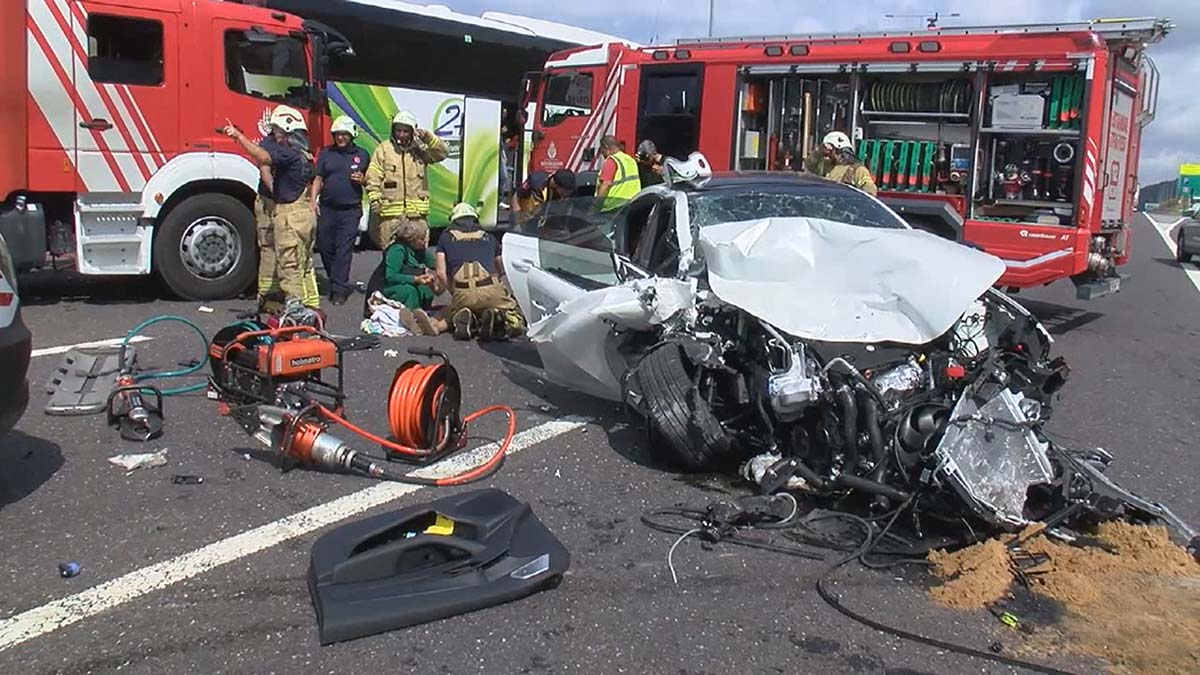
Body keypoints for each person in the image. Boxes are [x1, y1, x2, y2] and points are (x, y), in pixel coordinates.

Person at [225, 105, 321, 309]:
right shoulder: (305, 154)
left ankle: (296, 312)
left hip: (290, 216)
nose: (275, 136)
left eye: (278, 131)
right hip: (305, 214)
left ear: (289, 132)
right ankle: (313, 308)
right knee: (305, 264)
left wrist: (238, 137)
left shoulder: (289, 154)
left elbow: (264, 159)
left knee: (289, 266)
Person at [428, 203, 525, 341]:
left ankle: (466, 320)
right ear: (475, 219)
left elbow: (440, 273)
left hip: (462, 291)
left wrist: (453, 290)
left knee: (455, 309)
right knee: (514, 314)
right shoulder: (489, 236)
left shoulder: (445, 238)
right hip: (490, 288)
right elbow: (501, 267)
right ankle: (497, 319)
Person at [364, 110, 449, 251]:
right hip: (390, 217)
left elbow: (442, 153)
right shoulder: (384, 149)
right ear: (393, 130)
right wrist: (375, 199)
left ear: (412, 132)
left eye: (405, 131)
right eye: (398, 130)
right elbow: (373, 176)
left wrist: (427, 137)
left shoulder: (420, 150)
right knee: (391, 257)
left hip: (416, 217)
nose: (401, 135)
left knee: (418, 256)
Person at [312, 116, 370, 305]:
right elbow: (318, 178)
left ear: (351, 135)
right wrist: (313, 200)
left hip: (350, 210)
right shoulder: (326, 154)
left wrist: (363, 180)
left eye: (344, 134)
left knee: (344, 250)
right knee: (325, 246)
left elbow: (372, 180)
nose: (341, 138)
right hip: (328, 208)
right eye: (337, 135)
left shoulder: (362, 154)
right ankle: (335, 278)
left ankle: (339, 290)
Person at [805, 130, 878, 195]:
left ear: (839, 150)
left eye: (831, 151)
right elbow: (810, 165)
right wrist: (819, 151)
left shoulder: (857, 170)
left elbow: (870, 190)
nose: (828, 155)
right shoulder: (826, 165)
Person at [595, 135, 641, 212]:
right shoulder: (630, 160)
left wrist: (595, 207)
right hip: (632, 205)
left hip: (614, 209)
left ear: (606, 148)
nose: (602, 154)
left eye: (601, 150)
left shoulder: (612, 161)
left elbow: (605, 185)